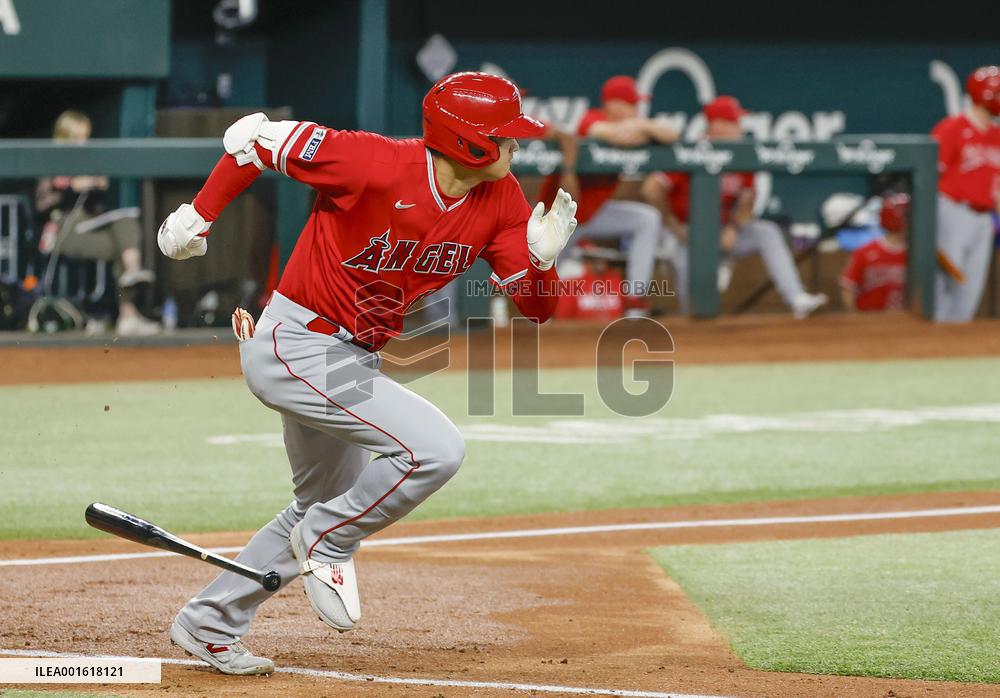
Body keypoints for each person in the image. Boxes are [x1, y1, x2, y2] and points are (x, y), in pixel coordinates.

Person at [157, 72, 577, 675]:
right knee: (436, 450)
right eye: (506, 136)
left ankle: (210, 622)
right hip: (297, 343)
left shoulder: (503, 199)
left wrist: (540, 261)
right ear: (469, 142)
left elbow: (537, 311)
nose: (517, 145)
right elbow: (253, 140)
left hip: (353, 357)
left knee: (322, 502)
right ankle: (330, 538)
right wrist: (199, 215)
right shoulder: (373, 162)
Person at [641, 96, 827, 318]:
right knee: (687, 276)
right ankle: (690, 322)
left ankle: (796, 298)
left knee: (767, 232)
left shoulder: (741, 154)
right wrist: (672, 225)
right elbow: (651, 188)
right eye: (735, 122)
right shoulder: (691, 151)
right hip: (685, 232)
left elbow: (748, 201)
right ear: (717, 126)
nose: (741, 128)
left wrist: (734, 227)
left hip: (723, 230)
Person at [540, 76, 677, 312]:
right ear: (614, 104)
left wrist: (643, 127)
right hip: (561, 217)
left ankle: (634, 300)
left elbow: (671, 135)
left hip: (594, 213)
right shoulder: (590, 119)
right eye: (631, 104)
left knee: (647, 219)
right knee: (538, 281)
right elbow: (615, 135)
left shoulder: (636, 126)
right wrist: (642, 129)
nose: (636, 109)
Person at [35, 110, 158, 336]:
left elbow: (97, 207)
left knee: (125, 221)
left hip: (89, 225)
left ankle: (133, 270)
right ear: (64, 137)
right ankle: (128, 313)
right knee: (121, 247)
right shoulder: (50, 160)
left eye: (85, 137)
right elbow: (41, 207)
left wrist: (97, 186)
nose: (83, 143)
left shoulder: (90, 160)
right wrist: (71, 188)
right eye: (77, 137)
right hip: (63, 231)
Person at [931, 66, 1000, 323]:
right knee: (944, 282)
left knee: (970, 287)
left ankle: (955, 340)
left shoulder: (997, 135)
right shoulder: (951, 128)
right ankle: (931, 337)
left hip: (984, 219)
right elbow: (929, 178)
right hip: (952, 212)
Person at [839, 194, 909, 312]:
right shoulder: (865, 252)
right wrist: (854, 317)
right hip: (870, 318)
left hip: (906, 319)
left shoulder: (918, 254)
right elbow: (848, 287)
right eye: (907, 216)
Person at [554, 240, 626, 321]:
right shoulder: (570, 283)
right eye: (593, 259)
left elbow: (627, 310)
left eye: (602, 259)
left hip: (614, 328)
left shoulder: (615, 280)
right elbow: (562, 320)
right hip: (581, 328)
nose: (600, 263)